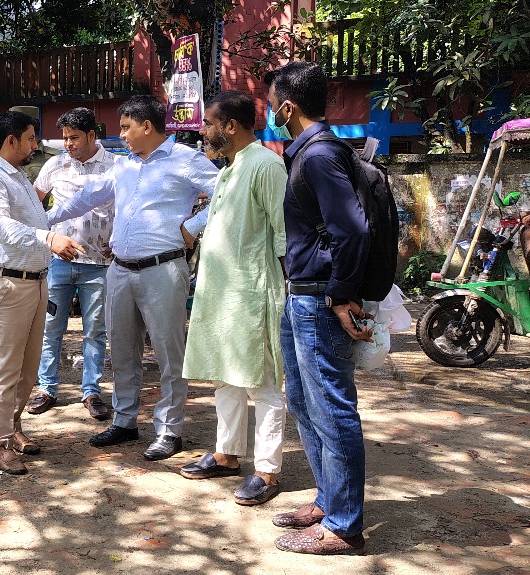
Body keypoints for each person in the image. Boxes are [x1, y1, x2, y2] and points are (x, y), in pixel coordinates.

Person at [47, 95, 219, 461]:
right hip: (120, 270)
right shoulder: (123, 167)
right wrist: (44, 221)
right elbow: (89, 196)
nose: (121, 135)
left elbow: (227, 193)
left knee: (169, 354)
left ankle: (169, 431)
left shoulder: (186, 159)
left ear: (146, 126)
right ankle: (125, 421)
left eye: (126, 127)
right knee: (123, 352)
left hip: (163, 270)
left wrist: (194, 226)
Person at [266, 61, 373, 555]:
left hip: (318, 299)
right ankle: (328, 499)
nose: (270, 111)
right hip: (301, 294)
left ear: (288, 106)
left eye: (272, 102)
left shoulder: (318, 156)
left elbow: (352, 228)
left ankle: (344, 525)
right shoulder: (307, 153)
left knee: (331, 406)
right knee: (306, 403)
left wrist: (340, 294)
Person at [175, 91, 289, 506]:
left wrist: (284, 291)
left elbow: (283, 234)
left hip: (253, 293)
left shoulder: (267, 165)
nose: (203, 130)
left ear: (231, 126)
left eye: (208, 123)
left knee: (262, 384)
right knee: (226, 378)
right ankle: (226, 455)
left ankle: (267, 470)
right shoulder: (228, 170)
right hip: (221, 295)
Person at [0, 110, 84, 475]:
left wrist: (59, 231)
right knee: (6, 367)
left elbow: (37, 222)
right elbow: (2, 227)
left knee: (29, 367)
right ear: (12, 140)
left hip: (36, 281)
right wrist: (49, 239)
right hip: (8, 284)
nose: (36, 144)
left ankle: (14, 425)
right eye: (32, 138)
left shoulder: (20, 178)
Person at [25, 107, 116, 422]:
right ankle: (47, 389)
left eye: (74, 137)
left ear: (92, 135)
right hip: (58, 263)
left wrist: (118, 241)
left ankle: (91, 391)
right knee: (50, 328)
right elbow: (34, 206)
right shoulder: (55, 164)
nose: (68, 144)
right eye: (64, 138)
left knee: (96, 331)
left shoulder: (115, 166)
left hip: (101, 265)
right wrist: (47, 238)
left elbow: (129, 208)